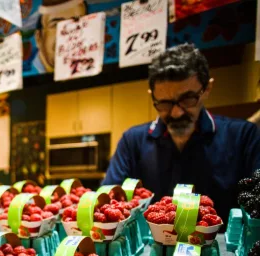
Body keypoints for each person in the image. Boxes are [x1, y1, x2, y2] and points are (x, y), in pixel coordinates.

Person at [103, 44, 260, 222]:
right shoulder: (132, 141)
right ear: (152, 96)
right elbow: (109, 200)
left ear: (207, 89)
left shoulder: (243, 136)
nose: (176, 113)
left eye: (188, 99)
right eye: (165, 103)